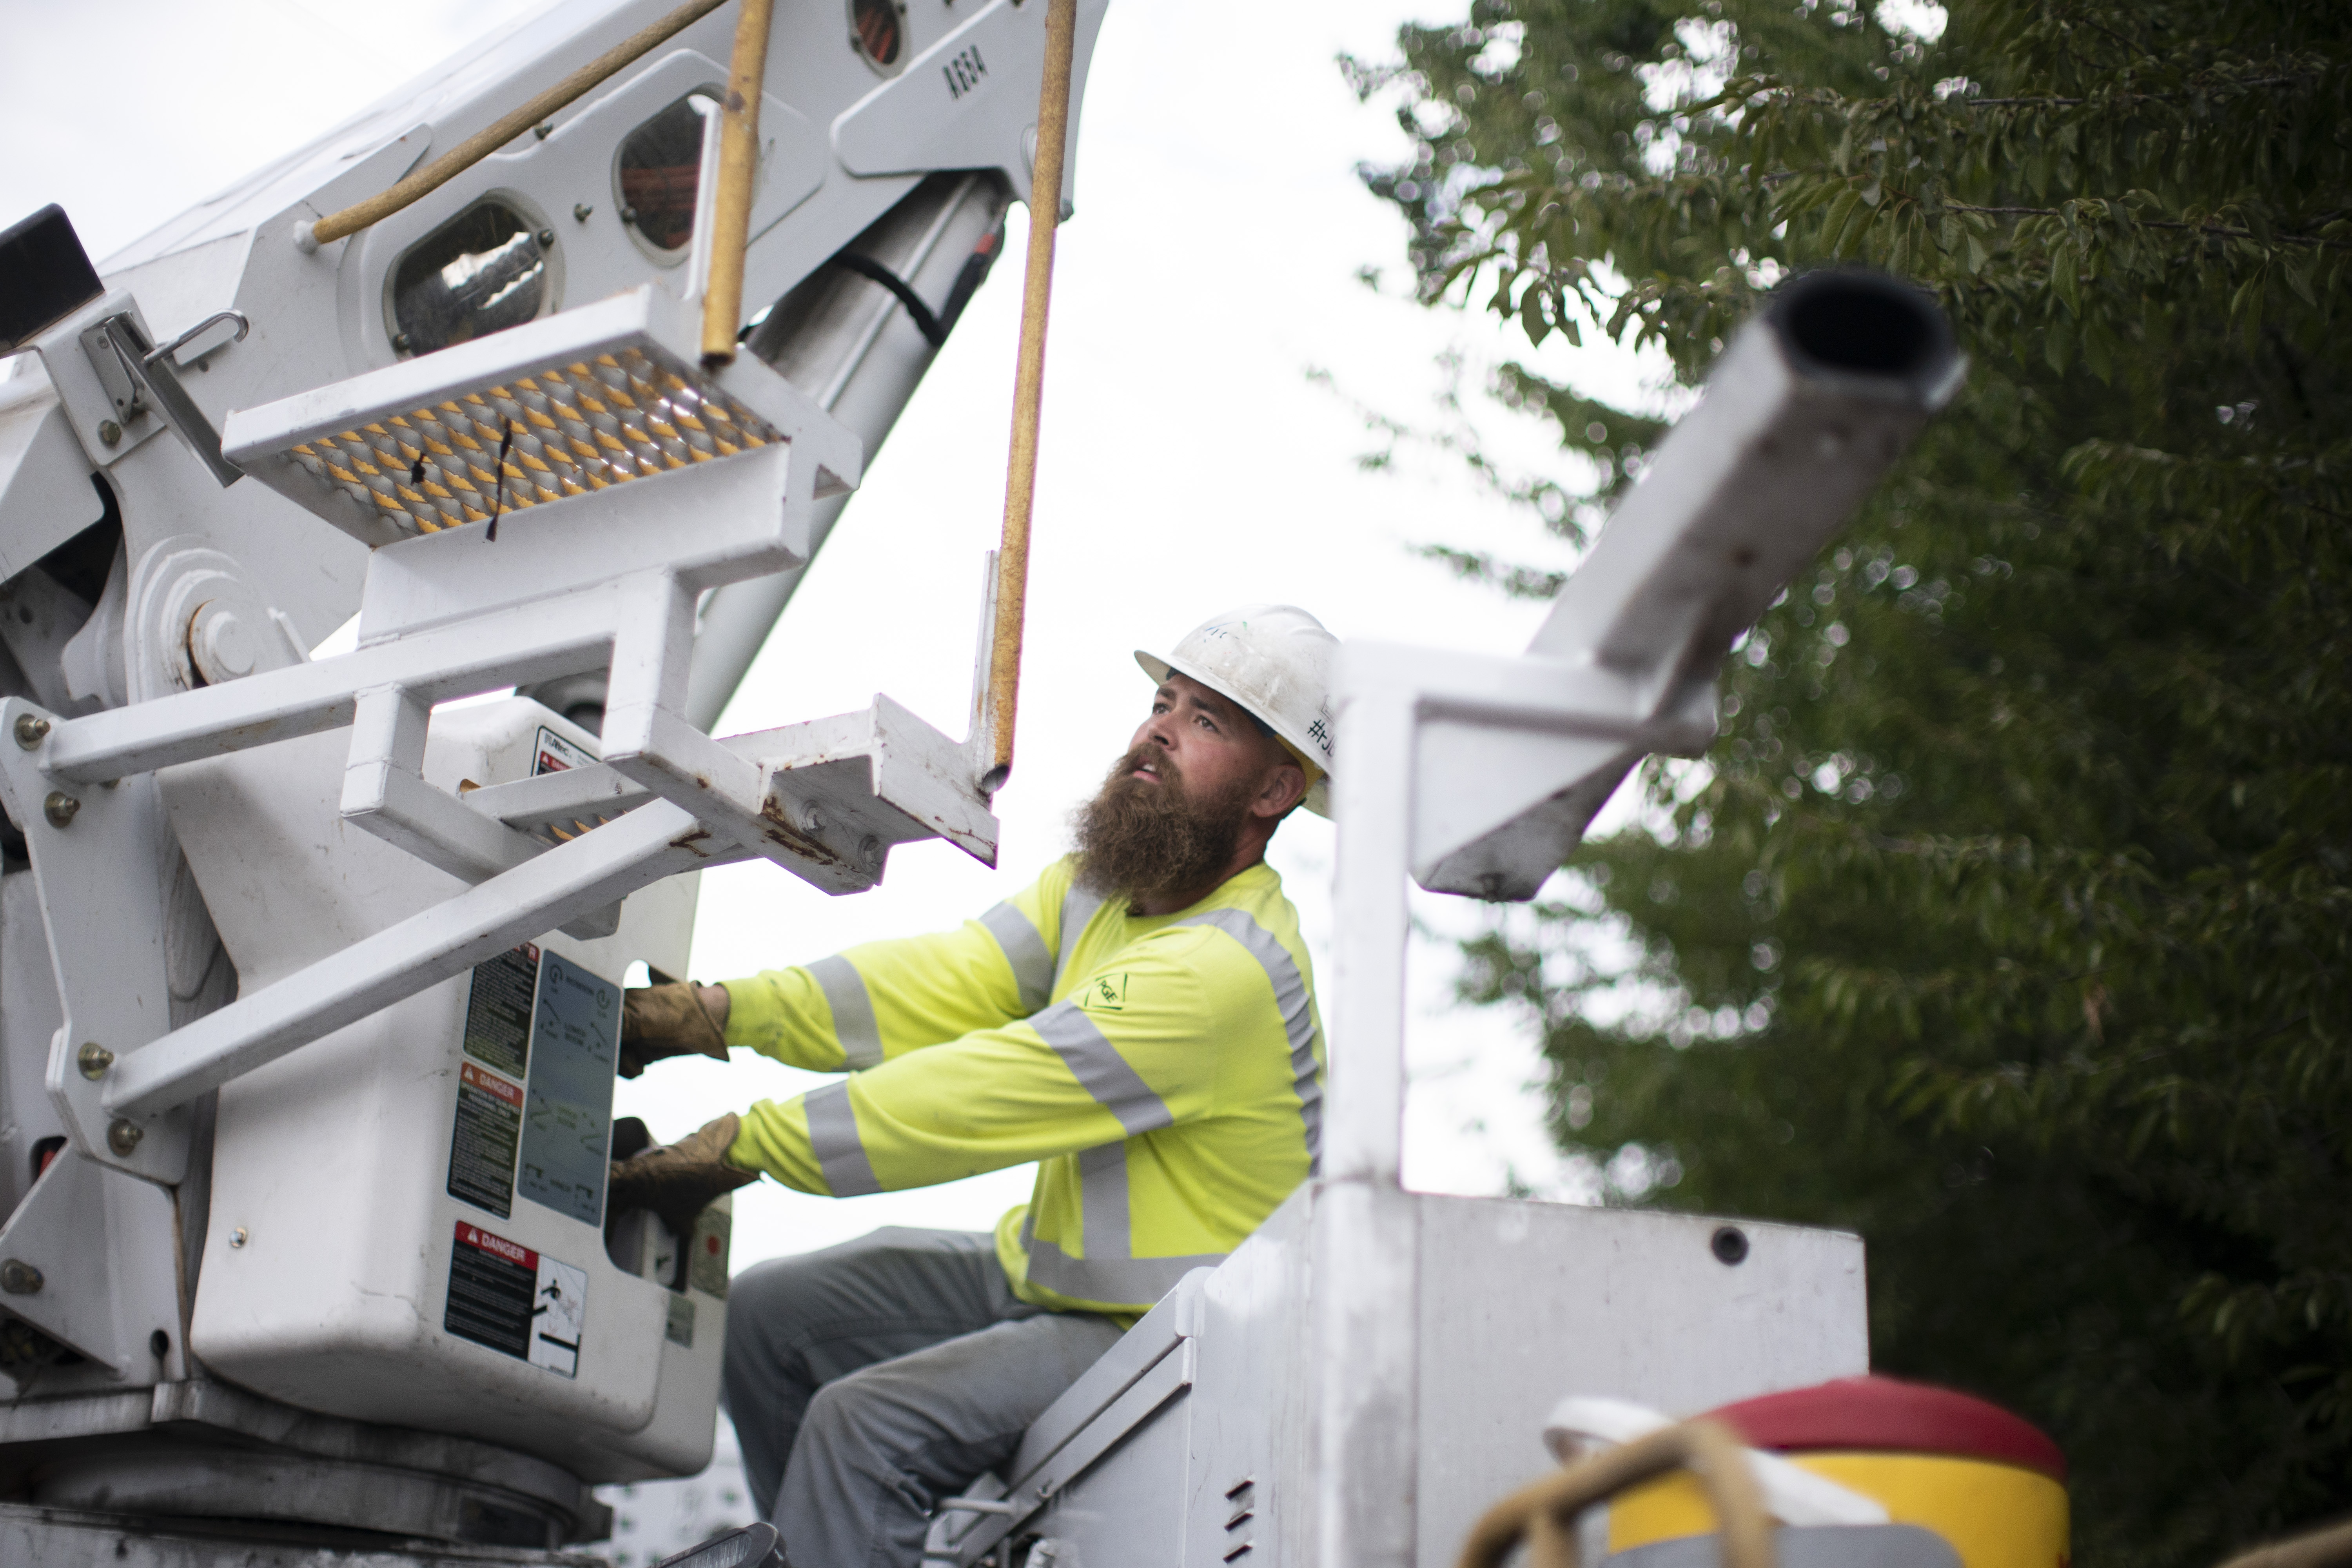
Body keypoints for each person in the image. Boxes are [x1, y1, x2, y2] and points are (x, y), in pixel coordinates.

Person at [611, 606, 1338, 1567]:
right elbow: (941, 982)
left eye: (1208, 720)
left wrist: (749, 1143)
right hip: (1048, 1278)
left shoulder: (1224, 971)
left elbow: (980, 1091)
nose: (1158, 727)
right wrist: (718, 1010)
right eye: (1162, 701)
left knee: (861, 1428)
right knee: (769, 1320)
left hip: (1170, 1333)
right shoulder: (1104, 891)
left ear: (1276, 788)